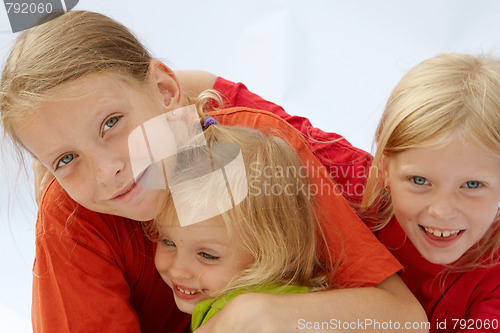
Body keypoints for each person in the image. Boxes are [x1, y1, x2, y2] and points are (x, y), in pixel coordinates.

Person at [0, 10, 427, 332]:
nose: (108, 170)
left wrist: (261, 313)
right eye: (65, 159)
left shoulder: (254, 149)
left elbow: (405, 319)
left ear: (166, 91)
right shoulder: (72, 215)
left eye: (111, 123)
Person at [150, 109, 332, 331]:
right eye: (168, 242)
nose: (178, 270)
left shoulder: (236, 318)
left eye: (207, 255)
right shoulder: (300, 302)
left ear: (272, 248)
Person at [360, 53, 500, 332]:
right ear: (385, 169)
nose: (442, 211)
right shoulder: (352, 182)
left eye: (472, 185)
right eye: (420, 180)